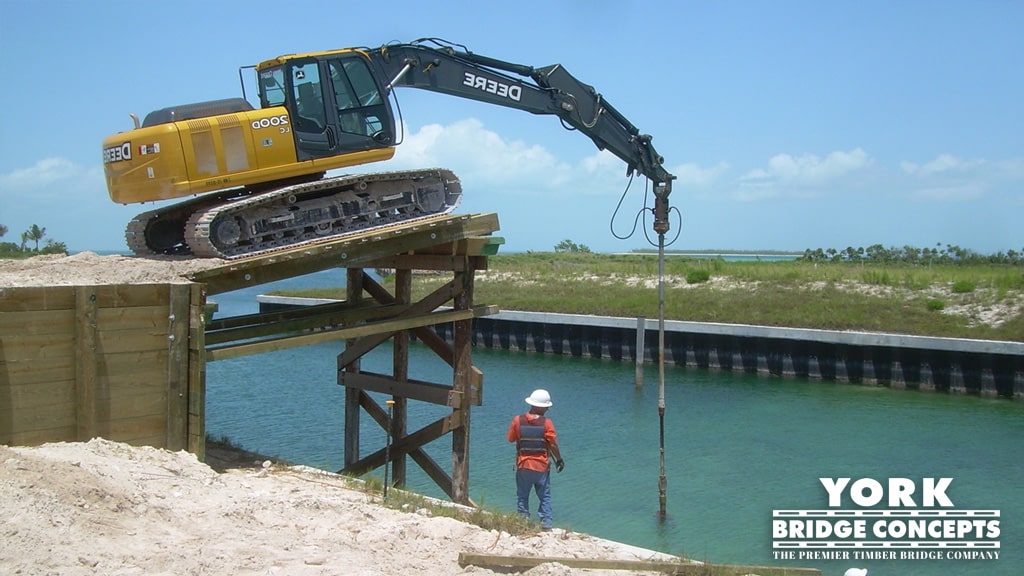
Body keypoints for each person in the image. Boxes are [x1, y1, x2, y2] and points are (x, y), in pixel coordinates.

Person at [507, 388, 564, 530]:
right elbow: (552, 444)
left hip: (523, 464)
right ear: (541, 407)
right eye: (546, 407)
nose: (547, 410)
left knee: (522, 495)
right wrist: (559, 459)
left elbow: (510, 439)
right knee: (544, 496)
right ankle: (546, 524)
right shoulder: (547, 423)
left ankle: (522, 521)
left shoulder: (517, 420)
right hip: (541, 466)